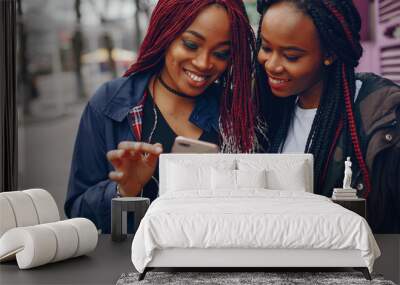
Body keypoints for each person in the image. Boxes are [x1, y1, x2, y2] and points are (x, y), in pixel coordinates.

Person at [65, 0, 259, 233]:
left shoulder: (236, 112)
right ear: (166, 33)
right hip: (134, 264)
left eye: (221, 53)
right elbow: (78, 212)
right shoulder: (109, 103)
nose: (204, 63)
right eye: (191, 44)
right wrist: (123, 191)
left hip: (216, 259)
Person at [255, 0, 400, 233]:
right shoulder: (265, 108)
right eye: (266, 47)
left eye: (291, 56)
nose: (272, 65)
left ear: (330, 53)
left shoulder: (384, 118)